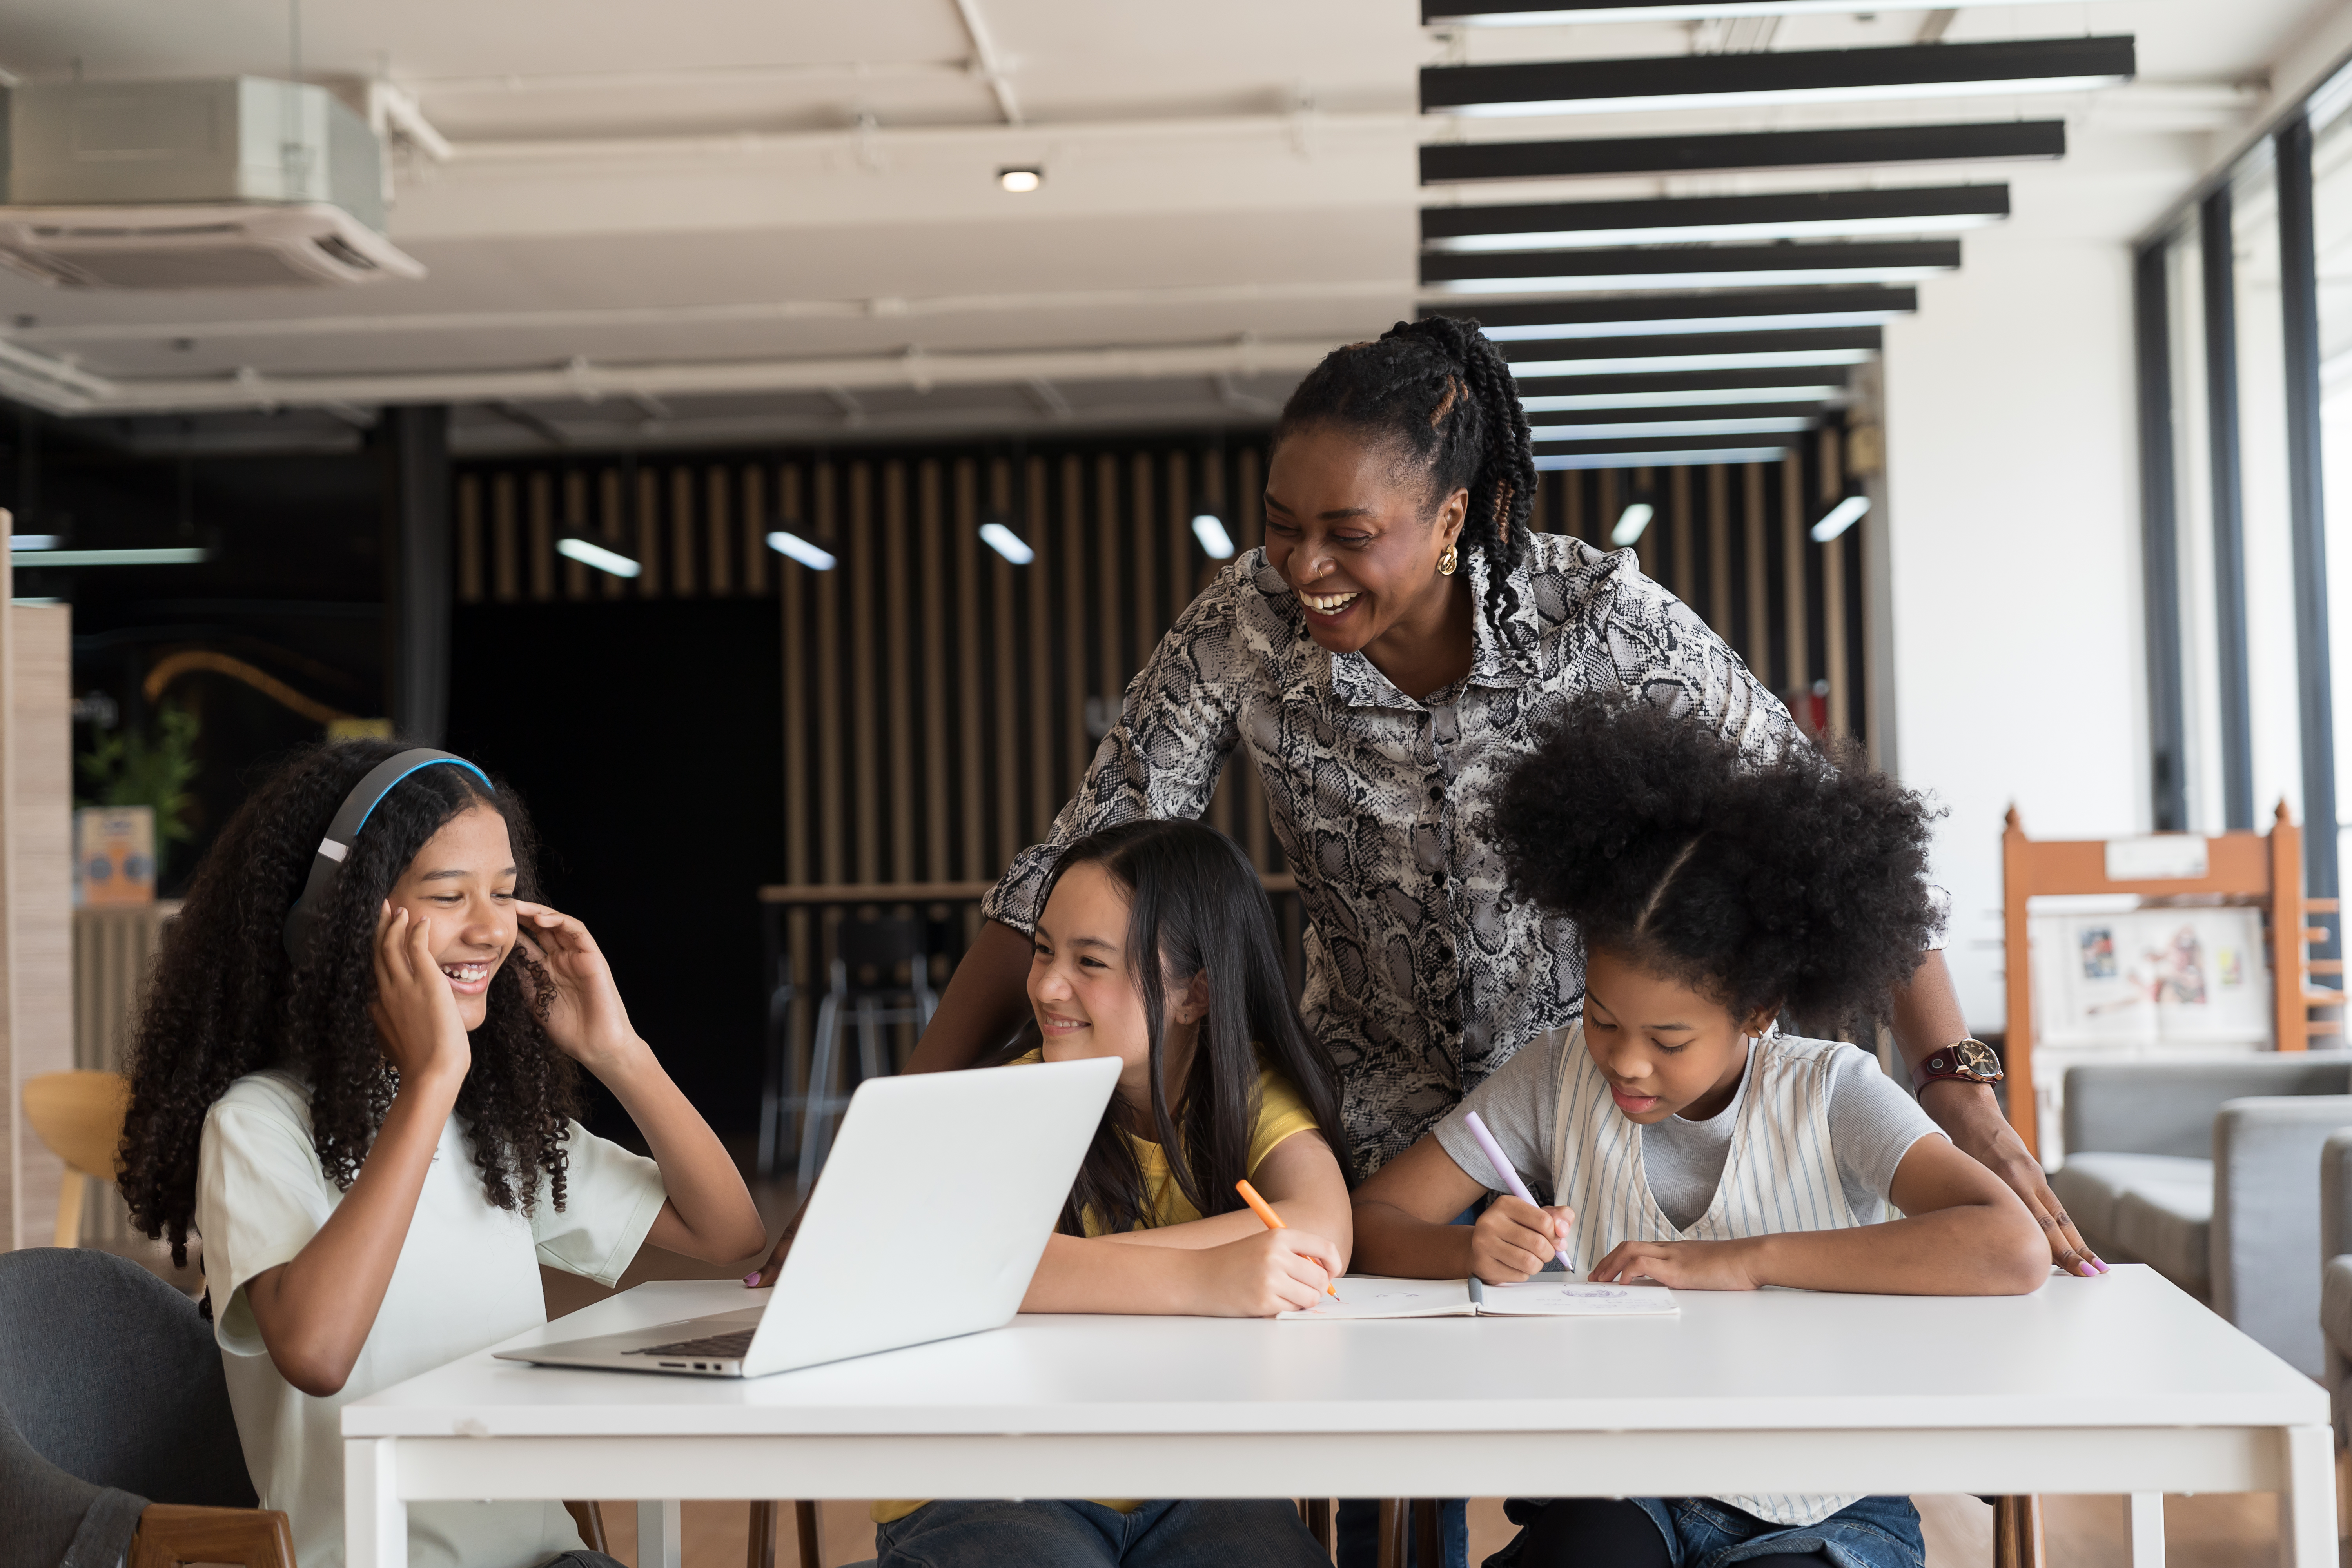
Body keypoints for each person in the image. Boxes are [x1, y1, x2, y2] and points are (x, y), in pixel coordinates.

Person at [1350, 693, 2051, 1568]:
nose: (1626, 1063)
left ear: (1757, 1011)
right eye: (1605, 1019)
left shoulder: (1833, 1091)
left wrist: (1745, 1258)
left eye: (1669, 1039)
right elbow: (1371, 1222)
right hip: (1622, 1480)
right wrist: (1470, 1251)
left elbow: (2009, 1246)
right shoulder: (1554, 1072)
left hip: (1820, 1504)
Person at [117, 741, 768, 1568]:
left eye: (504, 893)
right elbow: (317, 1353)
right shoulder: (258, 1125)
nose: (491, 926)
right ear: (338, 921)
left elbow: (729, 1232)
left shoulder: (492, 1128)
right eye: (449, 894)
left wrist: (619, 1051)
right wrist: (430, 1081)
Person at [871, 818, 1348, 1568]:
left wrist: (1045, 1271)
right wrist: (1202, 1278)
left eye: (1090, 962)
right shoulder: (1008, 1103)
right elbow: (955, 1269)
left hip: (1195, 1479)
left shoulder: (1245, 1090)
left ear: (1195, 994)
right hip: (988, 1472)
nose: (1046, 985)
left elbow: (1320, 1227)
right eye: (1042, 951)